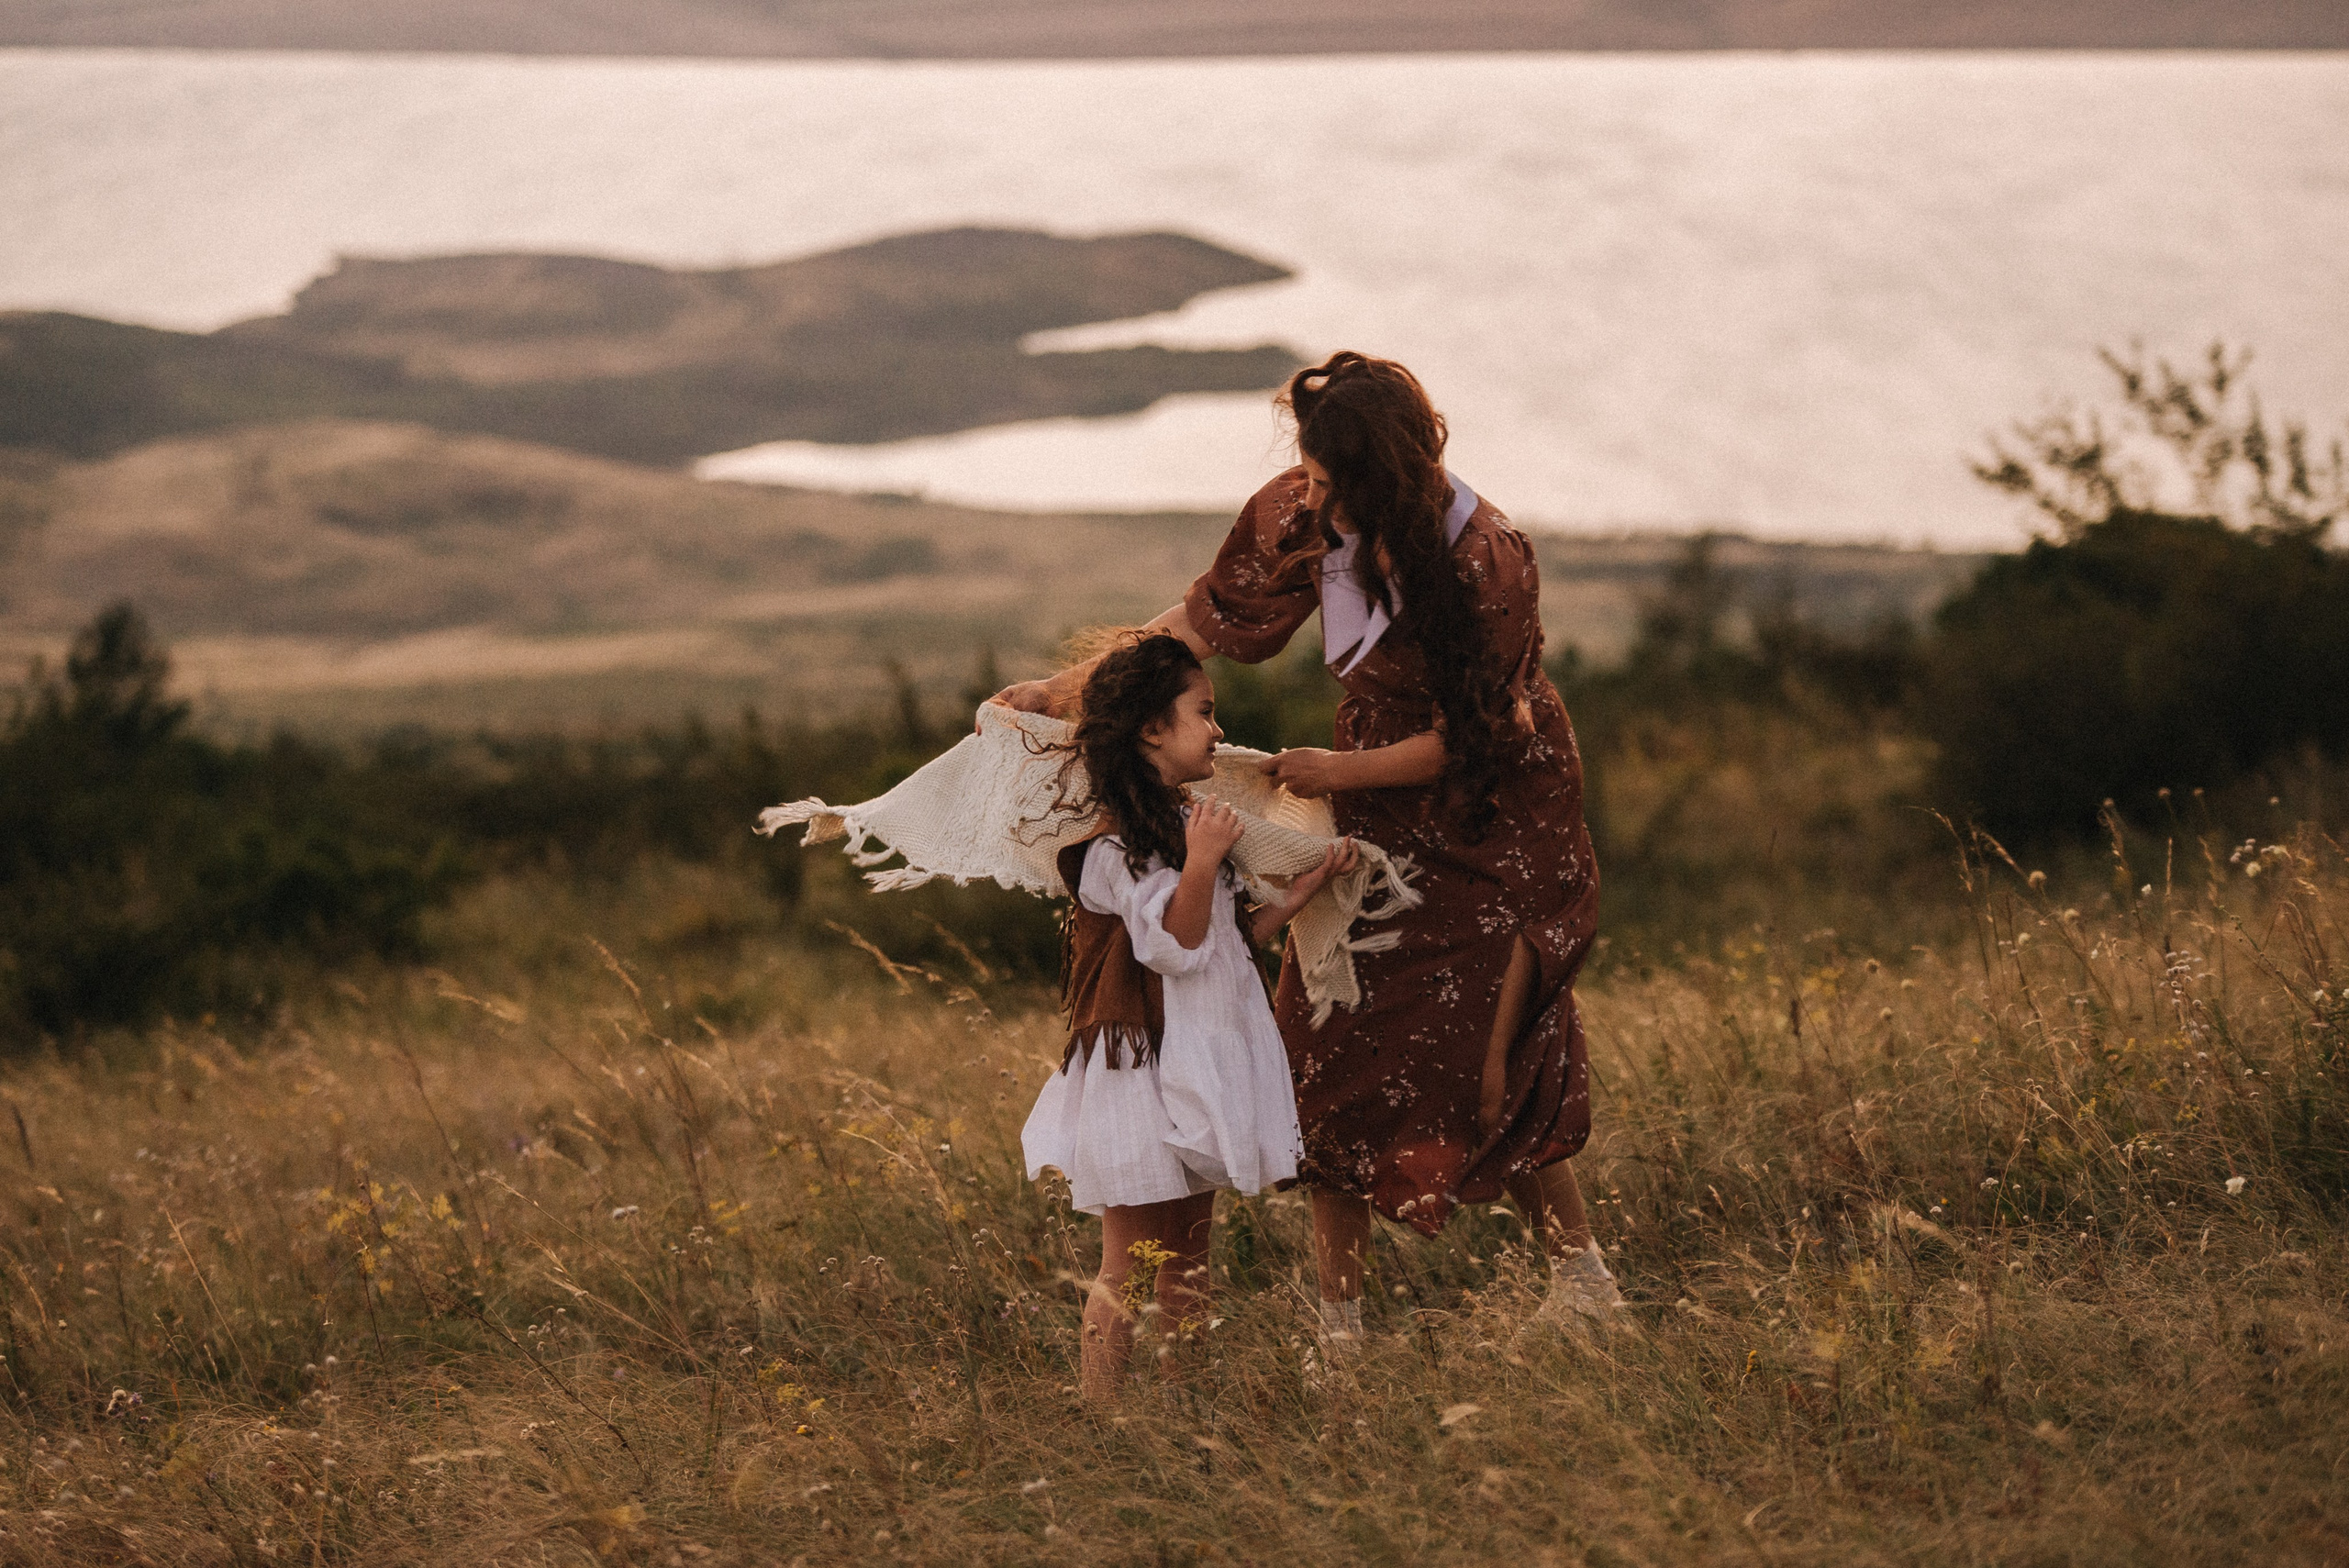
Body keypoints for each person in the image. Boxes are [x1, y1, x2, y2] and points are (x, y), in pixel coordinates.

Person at [995, 352, 1623, 1344]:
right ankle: (1342, 1325)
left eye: (1333, 484)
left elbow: (1486, 735)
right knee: (1327, 1035)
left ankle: (1580, 1277)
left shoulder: (1486, 558)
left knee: (1487, 1055)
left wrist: (1336, 775)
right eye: (1310, 474)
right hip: (1370, 787)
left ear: (1388, 476)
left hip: (1492, 811)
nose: (1311, 498)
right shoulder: (1307, 502)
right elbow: (1205, 619)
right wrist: (1061, 689)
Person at [1019, 632, 1358, 1397]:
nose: (1217, 729)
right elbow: (1173, 943)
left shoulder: (1184, 826)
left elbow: (1226, 942)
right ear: (1150, 730)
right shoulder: (1110, 851)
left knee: (1190, 1257)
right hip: (1143, 1071)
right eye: (1203, 713)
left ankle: (1186, 1410)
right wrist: (1203, 859)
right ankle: (1100, 1415)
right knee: (1129, 1260)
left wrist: (1301, 890)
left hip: (1201, 1067)